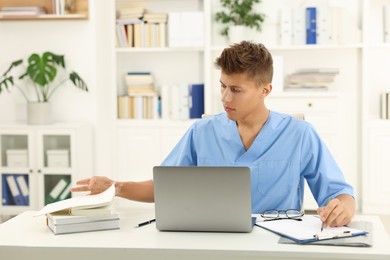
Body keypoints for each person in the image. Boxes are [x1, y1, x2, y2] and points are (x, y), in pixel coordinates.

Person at [72, 41, 355, 228]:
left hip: (276, 244)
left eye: (236, 89)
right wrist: (116, 187)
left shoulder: (300, 135)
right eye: (222, 86)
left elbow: (339, 194)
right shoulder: (201, 132)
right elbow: (167, 186)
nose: (224, 97)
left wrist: (343, 207)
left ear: (265, 90)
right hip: (212, 240)